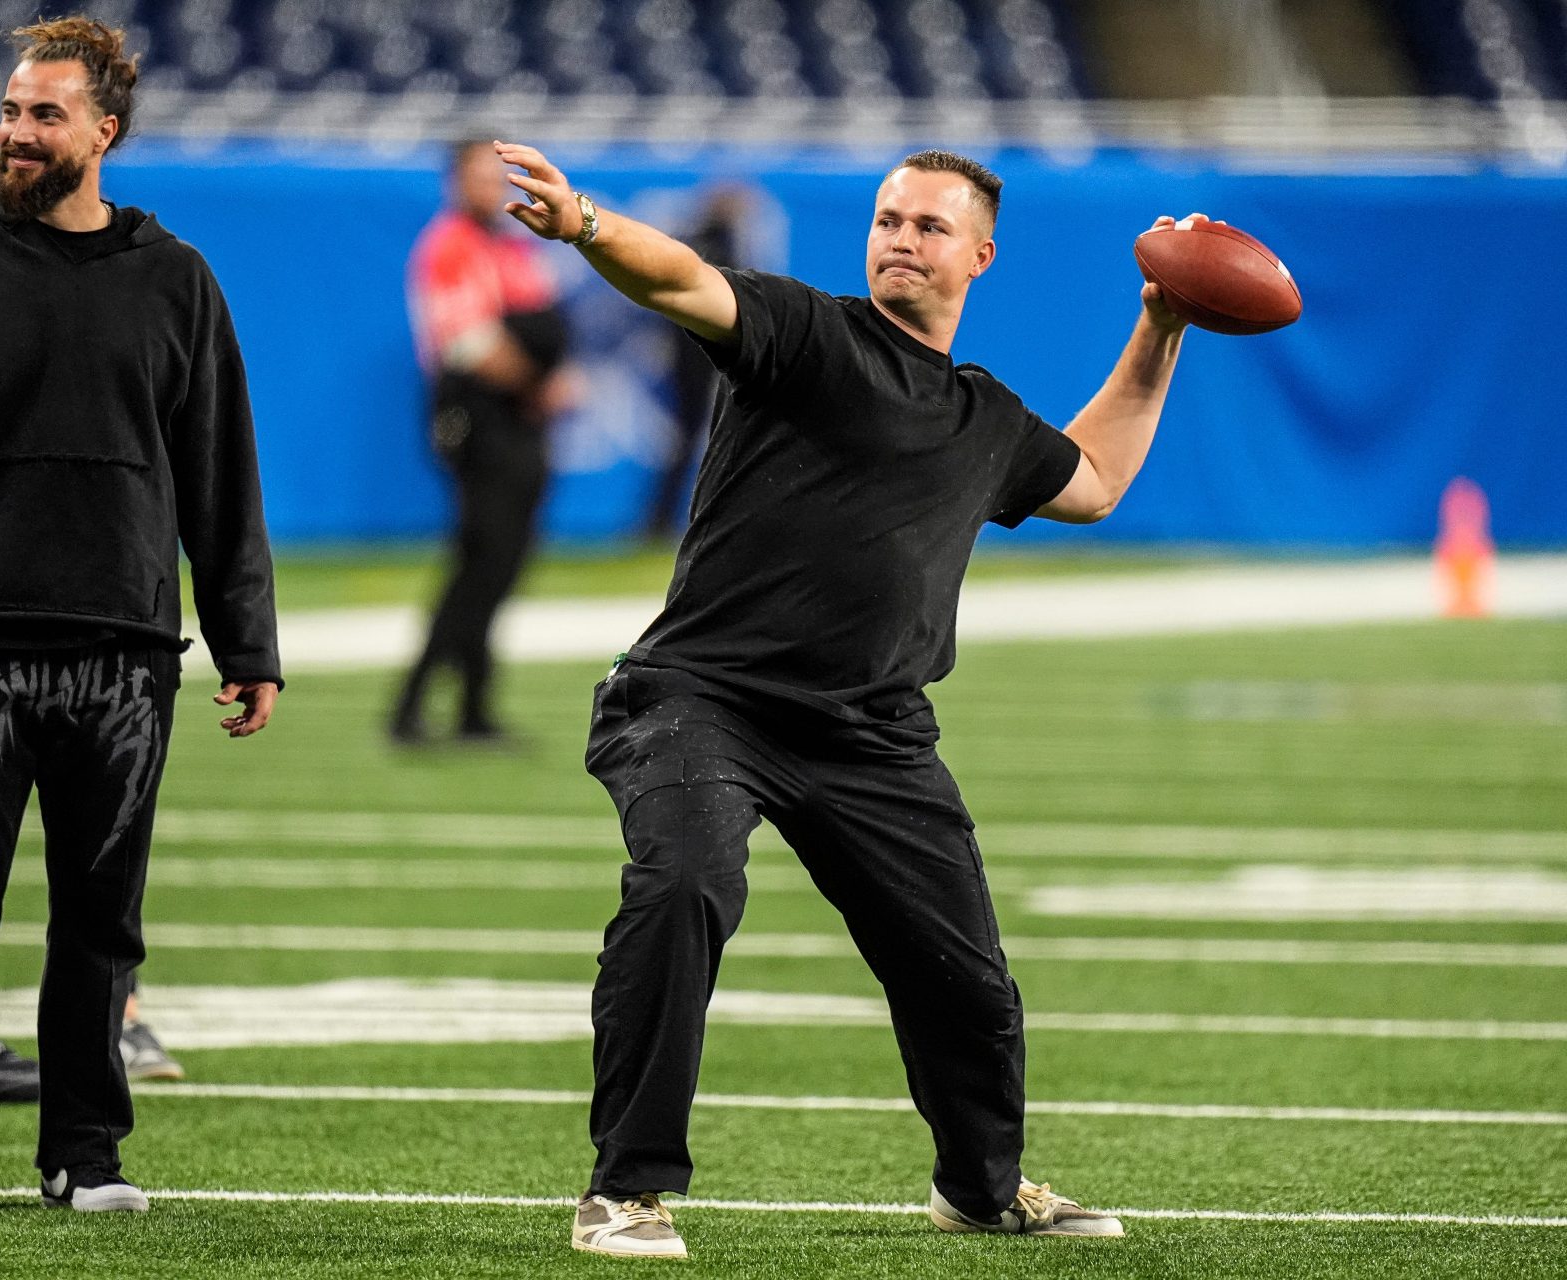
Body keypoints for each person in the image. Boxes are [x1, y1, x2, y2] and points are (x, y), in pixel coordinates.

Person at [493, 139, 1193, 1258]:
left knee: (966, 976)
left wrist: (1161, 329)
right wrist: (585, 222)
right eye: (886, 219)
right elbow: (683, 279)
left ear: (980, 253)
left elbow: (1095, 481)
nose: (900, 239)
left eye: (926, 225)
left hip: (870, 733)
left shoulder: (982, 415)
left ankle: (980, 1184)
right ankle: (625, 1186)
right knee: (684, 883)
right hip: (704, 699)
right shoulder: (809, 334)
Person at [0, 16, 280, 1215]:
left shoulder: (175, 279)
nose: (17, 133)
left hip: (125, 655)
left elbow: (219, 471)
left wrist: (249, 643)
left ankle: (85, 1151)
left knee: (101, 923)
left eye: (45, 115)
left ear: (104, 131)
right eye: (10, 110)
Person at [389, 138, 574, 744]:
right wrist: (537, 384)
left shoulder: (510, 244)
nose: (492, 188)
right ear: (454, 182)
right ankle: (415, 706)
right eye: (478, 176)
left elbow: (546, 321)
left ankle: (469, 708)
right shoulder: (450, 246)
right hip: (480, 418)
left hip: (516, 419)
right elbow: (467, 342)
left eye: (498, 177)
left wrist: (551, 376)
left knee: (498, 567)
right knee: (481, 566)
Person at [640, 186, 748, 542]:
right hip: (705, 359)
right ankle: (677, 519)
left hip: (695, 358)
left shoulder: (695, 240)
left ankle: (666, 519)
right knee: (705, 439)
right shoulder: (715, 245)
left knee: (692, 441)